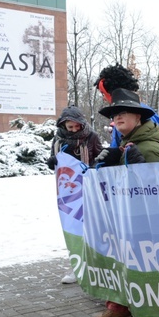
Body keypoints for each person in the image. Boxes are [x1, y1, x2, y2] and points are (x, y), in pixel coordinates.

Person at [93, 88, 159, 317]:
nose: (116, 117)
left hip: (148, 228)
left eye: (123, 113)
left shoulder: (149, 148)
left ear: (138, 117)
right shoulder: (128, 145)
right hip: (131, 224)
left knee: (145, 282)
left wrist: (140, 170)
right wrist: (106, 168)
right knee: (143, 282)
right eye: (114, 114)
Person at [47, 105, 104, 284]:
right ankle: (76, 265)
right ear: (63, 126)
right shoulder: (58, 140)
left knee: (91, 229)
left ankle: (96, 265)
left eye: (76, 126)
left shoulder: (92, 137)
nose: (73, 130)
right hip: (67, 193)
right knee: (73, 229)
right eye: (69, 127)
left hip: (88, 189)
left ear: (81, 123)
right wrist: (52, 162)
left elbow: (101, 158)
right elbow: (55, 163)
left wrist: (92, 168)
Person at [93, 64, 159, 148]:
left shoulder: (139, 115)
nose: (103, 98)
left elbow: (148, 149)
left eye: (103, 93)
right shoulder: (146, 111)